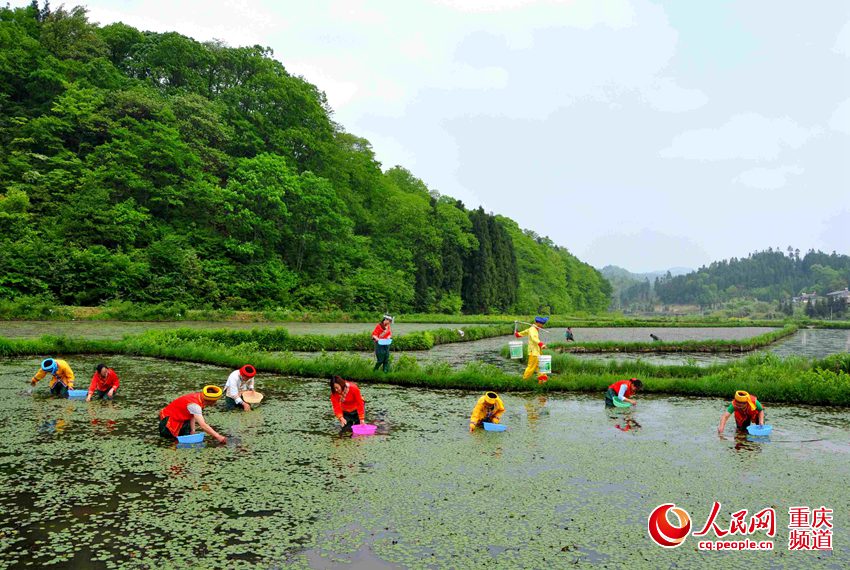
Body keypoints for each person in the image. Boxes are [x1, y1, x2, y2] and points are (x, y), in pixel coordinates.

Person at [158, 386, 227, 443]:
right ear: (211, 401)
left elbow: (192, 415)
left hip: (181, 418)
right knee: (170, 442)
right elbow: (203, 425)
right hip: (168, 421)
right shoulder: (195, 405)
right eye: (215, 401)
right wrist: (218, 437)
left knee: (184, 436)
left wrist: (193, 430)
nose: (215, 403)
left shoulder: (199, 397)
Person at [516, 316, 548, 383]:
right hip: (533, 352)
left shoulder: (533, 328)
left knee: (540, 366)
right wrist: (541, 344)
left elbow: (525, 332)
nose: (542, 325)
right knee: (531, 367)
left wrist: (518, 334)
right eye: (542, 324)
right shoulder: (533, 329)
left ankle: (542, 381)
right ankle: (525, 380)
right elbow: (534, 338)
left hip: (536, 352)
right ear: (537, 323)